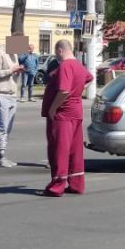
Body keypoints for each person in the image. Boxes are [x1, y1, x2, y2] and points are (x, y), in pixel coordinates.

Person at [41, 40, 93, 197]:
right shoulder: (78, 65)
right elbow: (89, 79)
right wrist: (78, 91)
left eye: (56, 52)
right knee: (74, 150)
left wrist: (53, 108)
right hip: (75, 112)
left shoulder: (65, 65)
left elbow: (64, 90)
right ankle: (76, 183)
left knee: (60, 149)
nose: (56, 55)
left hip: (63, 114)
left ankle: (57, 185)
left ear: (60, 50)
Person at [0, 39, 25, 167]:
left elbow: (12, 73)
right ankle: (0, 156)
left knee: (8, 128)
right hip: (1, 94)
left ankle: (2, 155)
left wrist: (17, 71)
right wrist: (11, 70)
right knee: (2, 127)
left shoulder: (14, 55)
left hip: (12, 94)